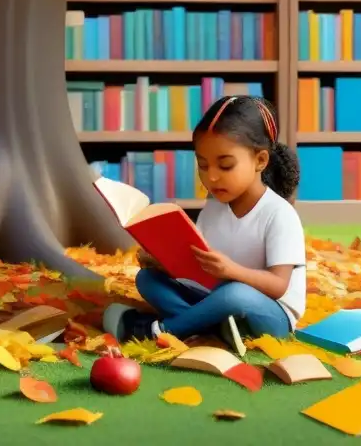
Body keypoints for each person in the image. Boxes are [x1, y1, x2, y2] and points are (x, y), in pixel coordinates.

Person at [103, 95, 306, 348]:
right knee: (147, 279)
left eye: (226, 166)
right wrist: (164, 262)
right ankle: (210, 329)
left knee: (235, 293)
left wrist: (232, 271)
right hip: (218, 300)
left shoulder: (279, 214)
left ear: (260, 161)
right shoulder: (213, 207)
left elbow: (278, 286)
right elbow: (198, 271)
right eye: (202, 165)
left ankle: (162, 330)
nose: (211, 177)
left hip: (270, 316)